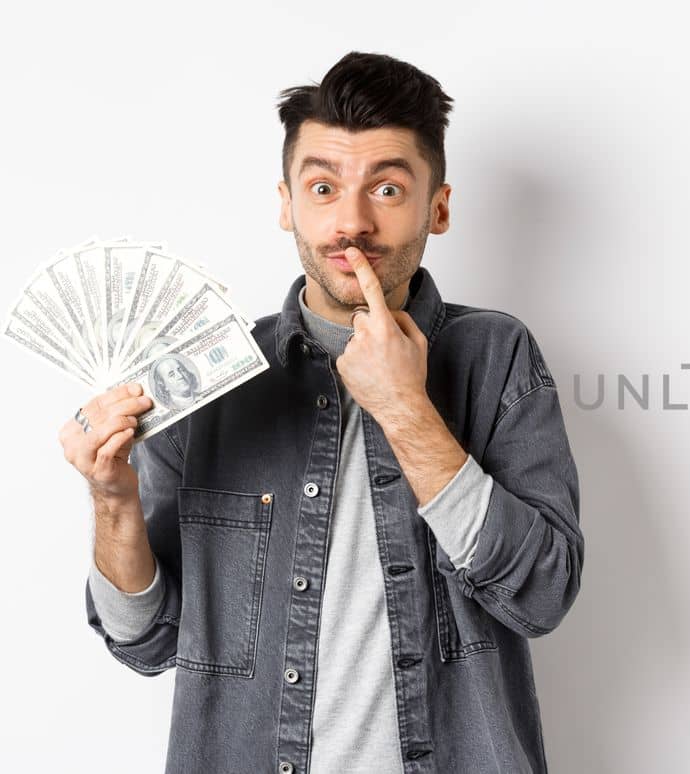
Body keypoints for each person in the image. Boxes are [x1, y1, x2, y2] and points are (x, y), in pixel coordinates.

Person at [62, 51, 583, 774]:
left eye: (389, 188)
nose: (352, 222)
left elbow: (543, 594)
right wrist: (112, 500)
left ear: (438, 206)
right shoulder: (209, 383)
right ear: (286, 204)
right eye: (323, 186)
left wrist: (407, 408)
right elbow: (145, 642)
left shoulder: (496, 357)